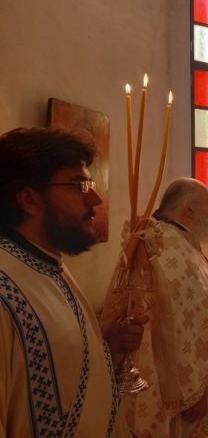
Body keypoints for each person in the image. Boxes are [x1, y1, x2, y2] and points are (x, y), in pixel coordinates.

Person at [0, 127, 144, 437]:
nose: (95, 199)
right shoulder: (5, 287)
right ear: (29, 199)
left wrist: (106, 345)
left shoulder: (48, 264)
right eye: (79, 185)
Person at [119, 178, 208, 438]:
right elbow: (169, 326)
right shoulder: (165, 248)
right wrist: (191, 391)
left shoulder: (179, 241)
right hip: (196, 388)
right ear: (188, 208)